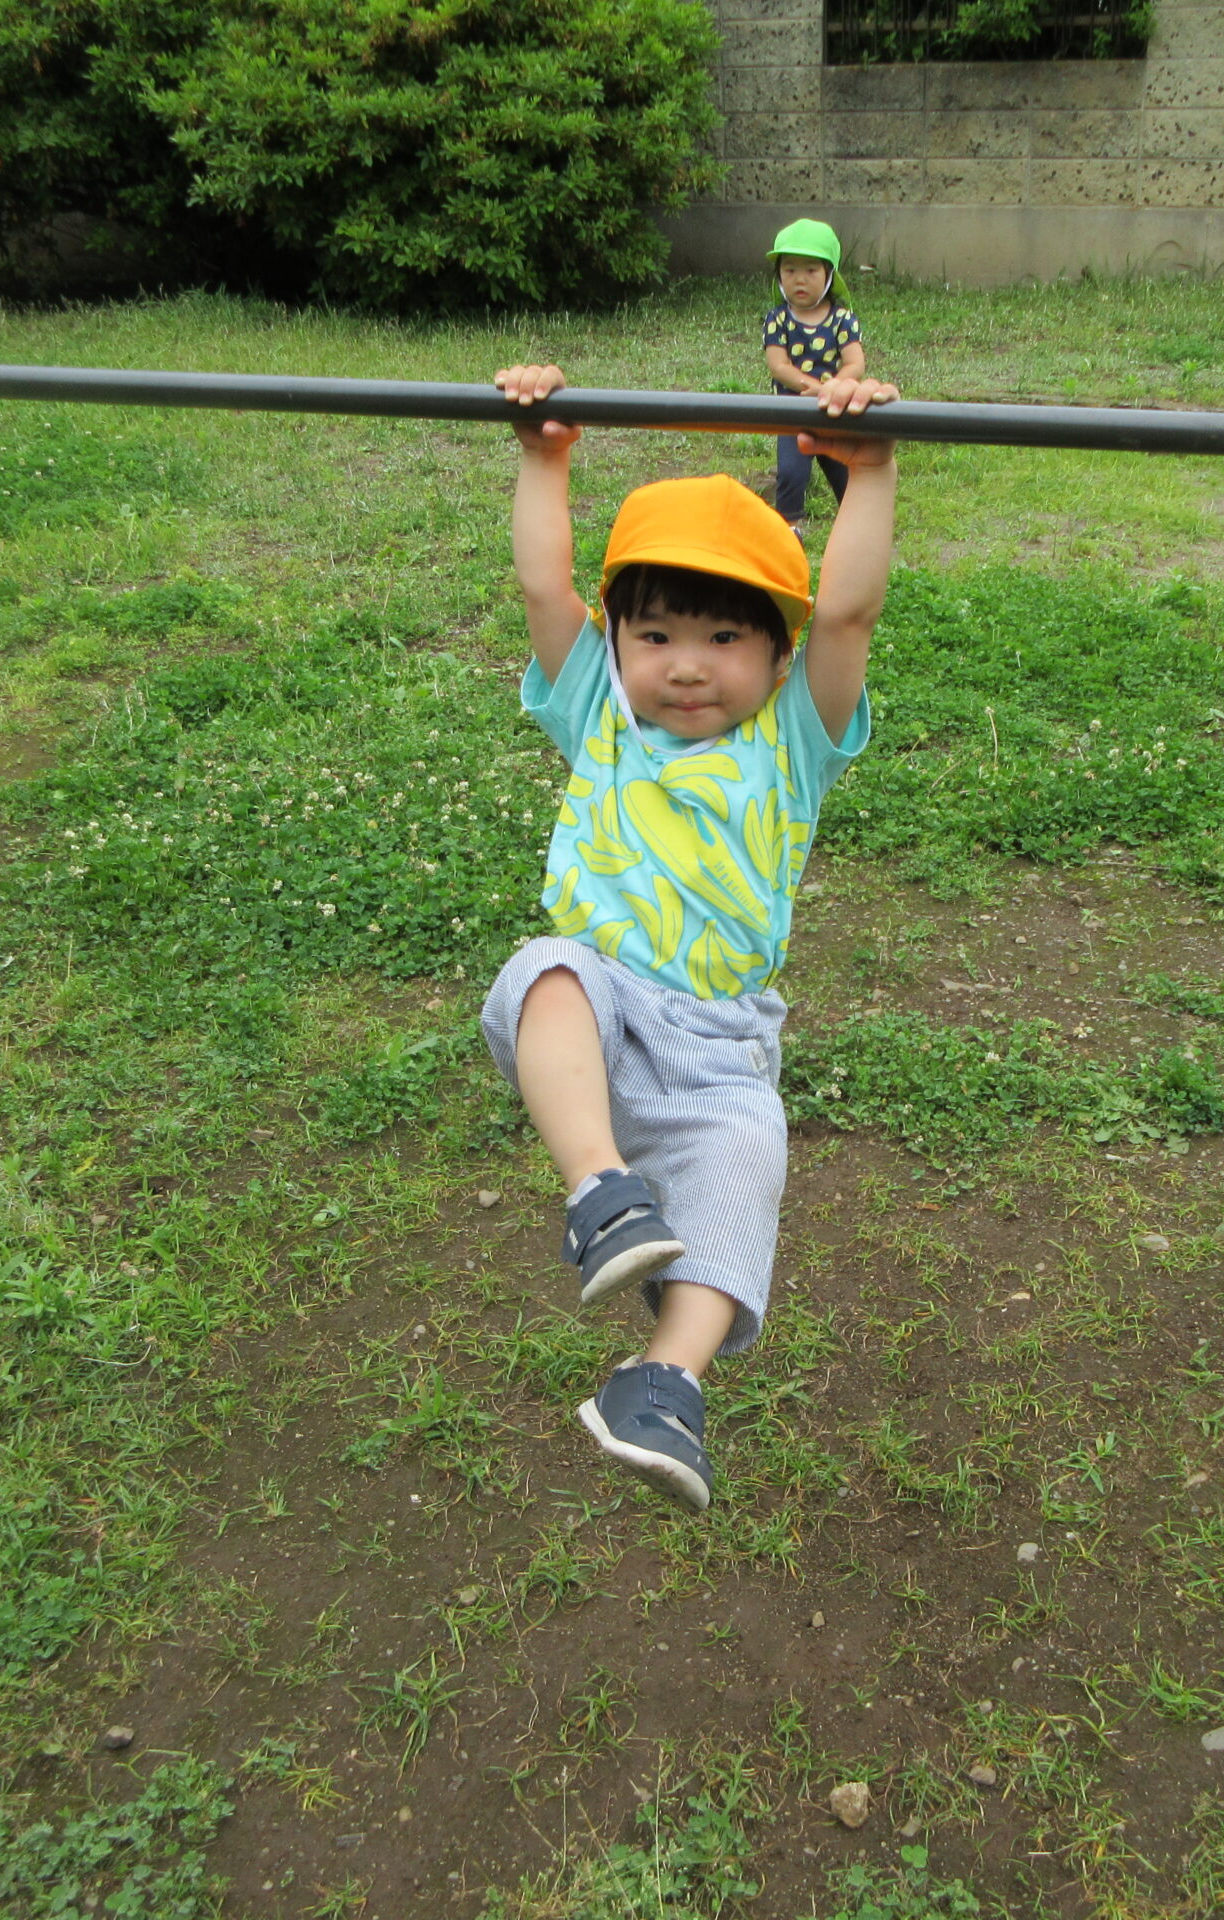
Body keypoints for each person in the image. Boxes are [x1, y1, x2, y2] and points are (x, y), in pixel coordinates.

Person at [482, 360, 898, 1511]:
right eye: (655, 632)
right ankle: (600, 1191)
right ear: (616, 642)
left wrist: (868, 475)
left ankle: (663, 1382)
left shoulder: (792, 746)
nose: (684, 664)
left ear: (777, 656)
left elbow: (849, 611)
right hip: (605, 1007)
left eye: (723, 636)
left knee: (750, 1153)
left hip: (721, 1041)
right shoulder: (599, 715)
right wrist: (542, 457)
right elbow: (543, 585)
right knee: (547, 971)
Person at [761, 218, 867, 539]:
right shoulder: (778, 319)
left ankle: (857, 526)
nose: (800, 279)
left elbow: (855, 363)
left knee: (845, 471)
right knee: (792, 473)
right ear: (779, 275)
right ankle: (789, 530)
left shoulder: (842, 319)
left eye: (811, 270)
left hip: (833, 410)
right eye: (790, 270)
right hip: (792, 412)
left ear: (829, 274)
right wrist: (815, 388)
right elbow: (779, 365)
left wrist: (832, 389)